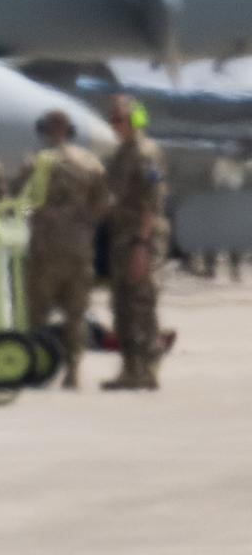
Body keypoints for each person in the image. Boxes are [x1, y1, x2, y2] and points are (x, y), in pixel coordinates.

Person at [14, 109, 109, 389]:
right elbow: (103, 203)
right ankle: (73, 372)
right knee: (76, 315)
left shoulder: (35, 162)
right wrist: (83, 223)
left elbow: (20, 200)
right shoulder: (90, 163)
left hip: (44, 250)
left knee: (36, 312)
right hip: (79, 250)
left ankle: (35, 367)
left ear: (45, 130)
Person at [102, 95, 169, 391]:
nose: (114, 125)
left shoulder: (146, 153)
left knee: (142, 301)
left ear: (134, 120)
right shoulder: (122, 152)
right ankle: (131, 368)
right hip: (122, 237)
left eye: (119, 119)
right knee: (121, 303)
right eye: (112, 119)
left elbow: (152, 202)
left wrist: (142, 243)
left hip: (142, 236)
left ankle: (149, 366)